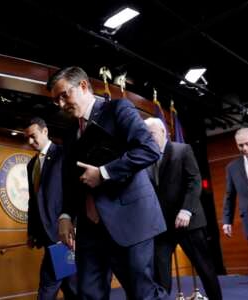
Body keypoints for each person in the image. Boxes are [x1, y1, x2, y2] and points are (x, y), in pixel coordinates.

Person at [47, 66, 169, 300]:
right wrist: (65, 216)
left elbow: (149, 149)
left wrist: (104, 173)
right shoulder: (70, 133)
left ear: (83, 86)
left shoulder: (118, 109)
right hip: (90, 230)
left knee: (142, 294)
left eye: (64, 95)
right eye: (56, 100)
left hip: (130, 221)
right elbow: (72, 181)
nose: (61, 104)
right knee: (88, 294)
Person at [145, 117, 222, 300]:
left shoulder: (182, 150)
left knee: (205, 268)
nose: (148, 138)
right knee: (160, 273)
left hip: (188, 223)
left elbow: (195, 182)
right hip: (162, 227)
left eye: (151, 134)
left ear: (163, 132)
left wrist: (186, 210)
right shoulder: (145, 156)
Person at [24, 117, 77, 300]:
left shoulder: (63, 154)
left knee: (53, 287)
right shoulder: (31, 165)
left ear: (45, 131)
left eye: (34, 136)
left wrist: (73, 225)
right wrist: (31, 232)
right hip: (46, 236)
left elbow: (72, 191)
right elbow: (33, 201)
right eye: (28, 138)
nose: (30, 142)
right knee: (68, 286)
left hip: (63, 236)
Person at [222, 127, 248, 251]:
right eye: (240, 145)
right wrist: (226, 221)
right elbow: (229, 195)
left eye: (247, 144)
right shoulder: (232, 167)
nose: (244, 148)